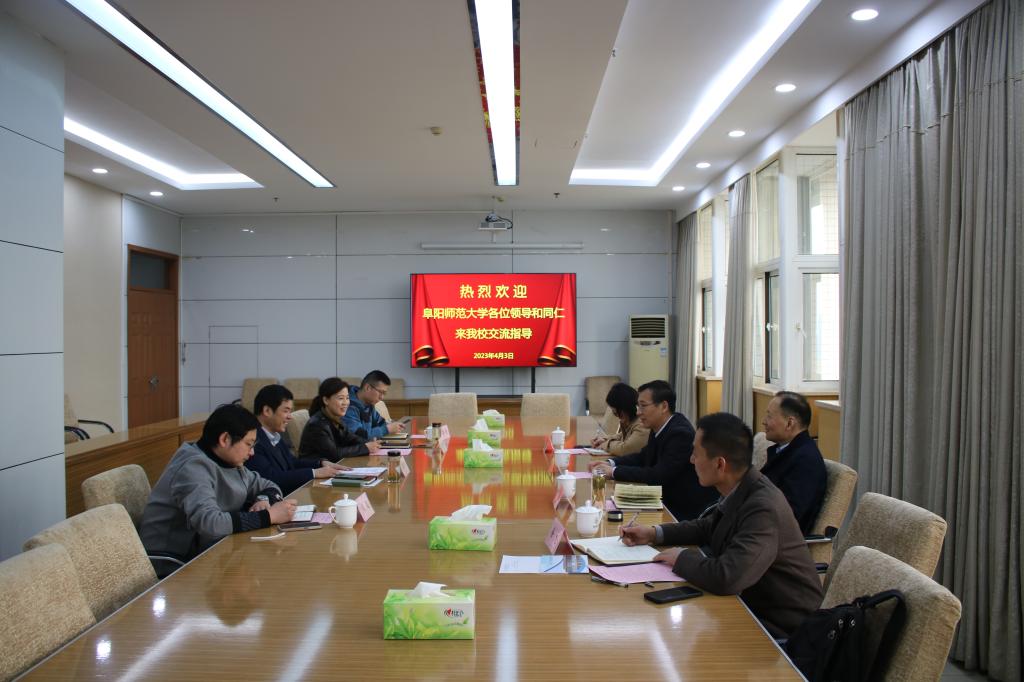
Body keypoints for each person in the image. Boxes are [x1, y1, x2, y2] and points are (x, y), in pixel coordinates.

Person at [621, 412, 823, 639]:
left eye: (696, 454)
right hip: (746, 605)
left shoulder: (763, 507)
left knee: (671, 636)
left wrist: (681, 557)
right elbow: (708, 527)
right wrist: (653, 533)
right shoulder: (741, 487)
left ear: (720, 464)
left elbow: (728, 577)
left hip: (780, 628)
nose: (691, 460)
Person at [139, 404, 297, 576]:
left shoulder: (229, 462)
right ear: (225, 439)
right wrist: (269, 516)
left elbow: (269, 485)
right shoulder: (193, 468)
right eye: (248, 444)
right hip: (174, 564)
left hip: (210, 553)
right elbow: (210, 524)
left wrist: (263, 499)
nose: (252, 453)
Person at [590, 380, 716, 521]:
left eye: (643, 406)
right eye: (638, 406)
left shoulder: (680, 433)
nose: (638, 412)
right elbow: (643, 457)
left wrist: (614, 472)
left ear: (663, 406)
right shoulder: (659, 426)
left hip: (681, 511)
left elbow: (658, 475)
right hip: (663, 501)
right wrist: (611, 463)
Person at [246, 384, 348, 494]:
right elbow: (270, 477)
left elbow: (292, 462)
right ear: (267, 411)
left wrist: (321, 463)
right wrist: (314, 473)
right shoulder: (251, 440)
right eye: (286, 411)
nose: (290, 416)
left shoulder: (273, 434)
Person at [760, 391, 827, 534]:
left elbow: (787, 517)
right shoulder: (785, 449)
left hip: (772, 540)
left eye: (769, 416)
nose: (763, 421)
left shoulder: (806, 461)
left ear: (789, 423)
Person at [300, 377, 381, 460]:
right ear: (326, 400)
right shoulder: (317, 425)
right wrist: (366, 448)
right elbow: (334, 454)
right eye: (341, 398)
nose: (346, 403)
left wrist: (370, 443)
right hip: (319, 467)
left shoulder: (336, 418)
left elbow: (351, 438)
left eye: (347, 398)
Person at [590, 382, 649, 456]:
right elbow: (623, 435)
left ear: (623, 409)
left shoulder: (642, 423)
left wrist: (606, 444)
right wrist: (605, 439)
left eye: (615, 413)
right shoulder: (632, 420)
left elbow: (626, 449)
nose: (617, 417)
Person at [343, 370, 405, 440]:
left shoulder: (369, 403)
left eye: (384, 393)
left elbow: (381, 423)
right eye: (381, 392)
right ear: (368, 388)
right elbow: (359, 436)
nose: (382, 397)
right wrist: (387, 429)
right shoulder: (347, 406)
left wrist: (393, 425)